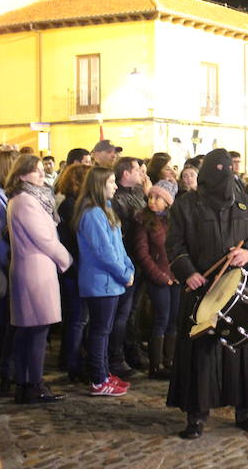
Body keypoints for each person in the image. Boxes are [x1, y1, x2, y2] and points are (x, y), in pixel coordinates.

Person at [166, 148, 248, 439]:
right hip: (201, 290)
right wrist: (188, 272)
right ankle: (196, 415)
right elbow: (175, 245)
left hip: (241, 290)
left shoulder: (246, 204)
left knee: (243, 353)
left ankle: (247, 411)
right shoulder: (186, 205)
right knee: (201, 356)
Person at [6, 154, 73, 403]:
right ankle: (32, 383)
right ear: (22, 174)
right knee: (36, 329)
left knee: (32, 329)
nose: (41, 174)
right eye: (35, 170)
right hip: (34, 269)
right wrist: (67, 259)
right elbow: (43, 237)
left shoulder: (30, 198)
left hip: (37, 268)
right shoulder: (25, 200)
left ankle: (27, 383)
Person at [74, 166, 135, 397]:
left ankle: (104, 373)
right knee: (100, 332)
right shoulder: (92, 214)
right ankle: (98, 380)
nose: (115, 186)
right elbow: (104, 252)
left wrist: (129, 268)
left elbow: (119, 246)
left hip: (111, 281)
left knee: (104, 331)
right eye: (111, 182)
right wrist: (123, 273)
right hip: (101, 282)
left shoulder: (105, 209)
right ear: (99, 185)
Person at [132, 179, 178, 379]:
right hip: (158, 277)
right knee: (161, 318)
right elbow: (142, 253)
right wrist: (159, 276)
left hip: (176, 277)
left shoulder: (174, 220)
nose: (152, 201)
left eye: (158, 197)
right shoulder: (143, 220)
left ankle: (170, 361)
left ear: (168, 202)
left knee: (174, 320)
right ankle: (155, 365)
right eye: (151, 196)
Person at [109, 157, 148, 377]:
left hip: (139, 259)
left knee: (134, 310)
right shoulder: (117, 199)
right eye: (137, 170)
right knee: (124, 312)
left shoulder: (137, 193)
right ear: (126, 173)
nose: (141, 174)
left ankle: (132, 349)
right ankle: (120, 355)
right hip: (127, 259)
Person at [54, 164, 91, 381]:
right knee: (77, 318)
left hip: (74, 268)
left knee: (77, 318)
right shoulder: (71, 206)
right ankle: (73, 364)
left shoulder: (74, 204)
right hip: (73, 269)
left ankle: (72, 360)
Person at [0, 150, 20, 396]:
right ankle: (6, 373)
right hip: (5, 269)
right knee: (6, 324)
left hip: (8, 267)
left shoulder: (7, 197)